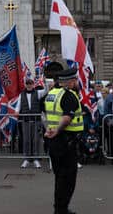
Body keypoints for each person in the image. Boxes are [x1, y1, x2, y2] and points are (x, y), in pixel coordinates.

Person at [44, 68, 83, 214]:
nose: (77, 82)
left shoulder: (51, 94)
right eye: (76, 80)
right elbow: (67, 118)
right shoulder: (69, 95)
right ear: (71, 82)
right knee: (67, 179)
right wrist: (57, 129)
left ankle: (60, 208)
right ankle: (61, 210)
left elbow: (44, 113)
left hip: (55, 142)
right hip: (66, 141)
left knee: (60, 177)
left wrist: (48, 128)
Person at [19, 78, 44, 169]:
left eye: (30, 83)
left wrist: (45, 81)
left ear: (33, 84)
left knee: (36, 140)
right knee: (26, 140)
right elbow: (18, 106)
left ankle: (36, 159)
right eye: (27, 83)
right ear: (25, 84)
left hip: (36, 120)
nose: (29, 85)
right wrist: (16, 113)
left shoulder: (38, 93)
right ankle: (26, 159)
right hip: (25, 120)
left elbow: (46, 91)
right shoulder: (21, 95)